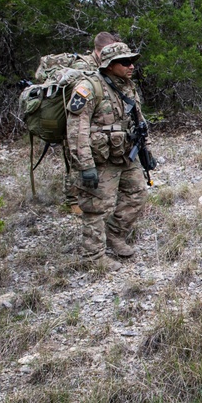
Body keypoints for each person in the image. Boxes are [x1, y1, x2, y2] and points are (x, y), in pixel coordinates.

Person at [65, 42, 148, 272]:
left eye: (132, 61)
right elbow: (76, 129)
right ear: (109, 65)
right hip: (101, 159)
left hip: (126, 155)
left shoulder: (127, 86)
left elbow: (138, 120)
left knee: (137, 194)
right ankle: (93, 257)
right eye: (125, 62)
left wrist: (145, 150)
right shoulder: (89, 88)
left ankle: (115, 235)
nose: (131, 66)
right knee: (96, 207)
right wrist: (85, 165)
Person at [62, 32, 121, 214]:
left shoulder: (105, 65)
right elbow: (80, 99)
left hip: (95, 121)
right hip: (76, 121)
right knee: (76, 159)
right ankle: (73, 200)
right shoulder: (83, 66)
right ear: (100, 50)